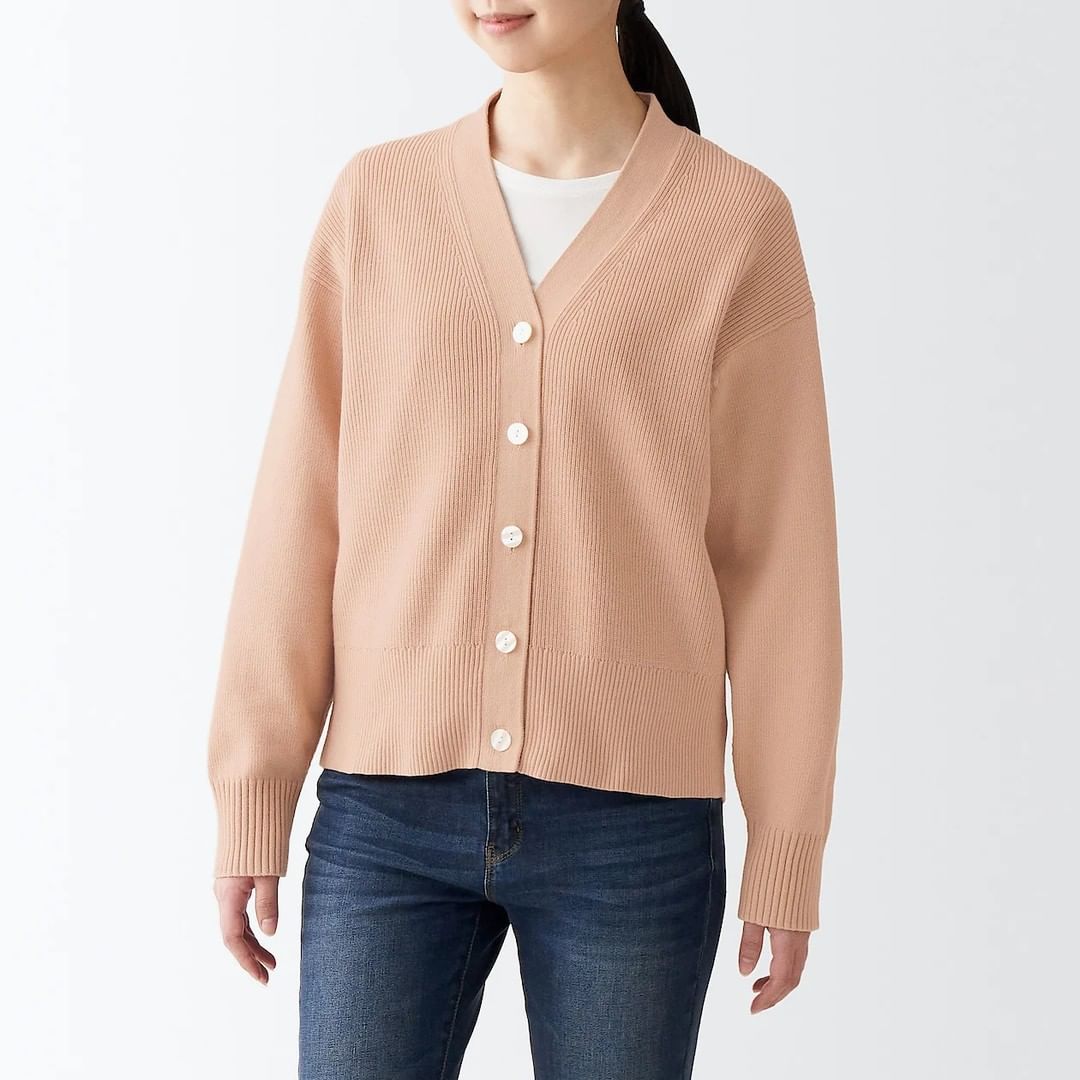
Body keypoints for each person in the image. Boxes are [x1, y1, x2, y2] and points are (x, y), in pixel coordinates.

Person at [207, 2, 843, 1076]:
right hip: (387, 814)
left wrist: (787, 845)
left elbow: (779, 558)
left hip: (632, 830)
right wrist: (252, 789)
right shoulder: (380, 199)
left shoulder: (736, 220)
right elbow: (300, 509)